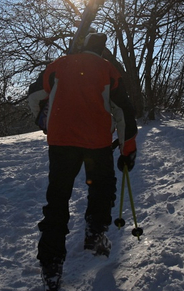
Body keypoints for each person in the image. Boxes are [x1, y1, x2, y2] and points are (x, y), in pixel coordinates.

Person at [28, 33, 138, 291]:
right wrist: (127, 150)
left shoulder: (58, 65)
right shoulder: (107, 69)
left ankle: (51, 265)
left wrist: (43, 122)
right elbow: (124, 112)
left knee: (57, 198)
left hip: (61, 141)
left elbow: (34, 96)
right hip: (96, 141)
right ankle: (95, 234)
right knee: (102, 187)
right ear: (102, 51)